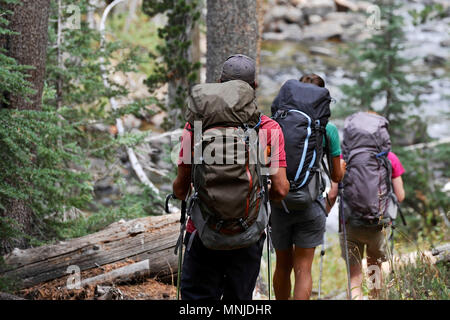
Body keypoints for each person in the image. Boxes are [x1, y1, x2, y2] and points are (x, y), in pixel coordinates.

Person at [173, 54, 290, 300]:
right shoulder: (268, 129)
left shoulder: (195, 126)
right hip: (247, 234)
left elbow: (182, 189)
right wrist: (249, 195)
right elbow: (280, 190)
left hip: (203, 231)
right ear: (254, 87)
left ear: (219, 82)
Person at [271, 74, 345, 300]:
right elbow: (336, 175)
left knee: (282, 266)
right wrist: (342, 166)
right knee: (304, 268)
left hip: (279, 201)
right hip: (310, 203)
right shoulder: (327, 129)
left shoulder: (277, 122)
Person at [328, 111, 406, 300]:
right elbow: (401, 196)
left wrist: (325, 210)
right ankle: (375, 297)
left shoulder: (344, 160)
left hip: (350, 223)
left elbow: (332, 193)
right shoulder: (389, 158)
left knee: (354, 276)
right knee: (374, 270)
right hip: (378, 224)